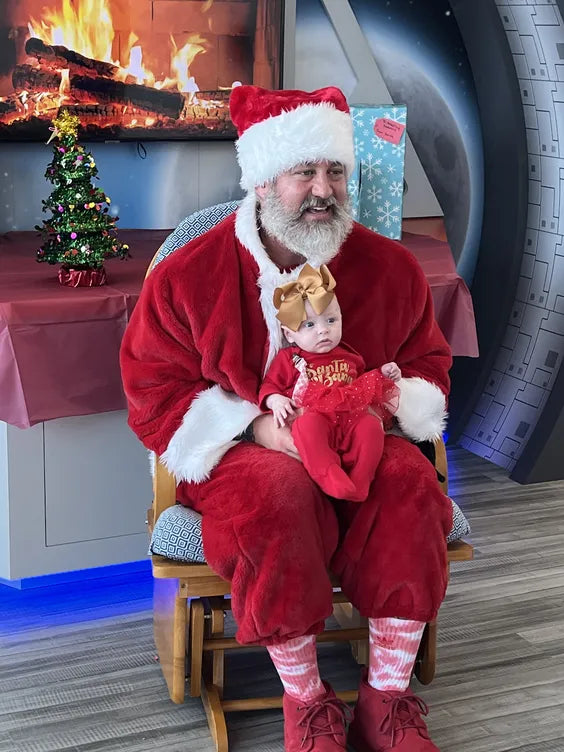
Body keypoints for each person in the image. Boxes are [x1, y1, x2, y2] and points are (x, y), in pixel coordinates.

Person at [120, 84, 453, 752]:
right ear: (266, 179)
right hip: (242, 451)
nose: (323, 188)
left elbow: (427, 365)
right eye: (305, 171)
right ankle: (308, 701)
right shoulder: (189, 275)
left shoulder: (389, 269)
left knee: (413, 486)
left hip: (361, 433)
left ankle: (386, 698)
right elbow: (153, 392)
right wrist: (253, 428)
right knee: (275, 495)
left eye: (334, 170)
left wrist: (390, 400)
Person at [259, 262, 401, 502]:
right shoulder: (290, 359)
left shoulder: (350, 356)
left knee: (370, 427)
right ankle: (329, 476)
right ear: (289, 334)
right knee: (307, 429)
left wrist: (385, 373)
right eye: (310, 325)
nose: (323, 331)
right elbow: (268, 387)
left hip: (351, 417)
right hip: (314, 416)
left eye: (331, 321)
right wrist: (276, 400)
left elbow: (363, 384)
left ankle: (361, 479)